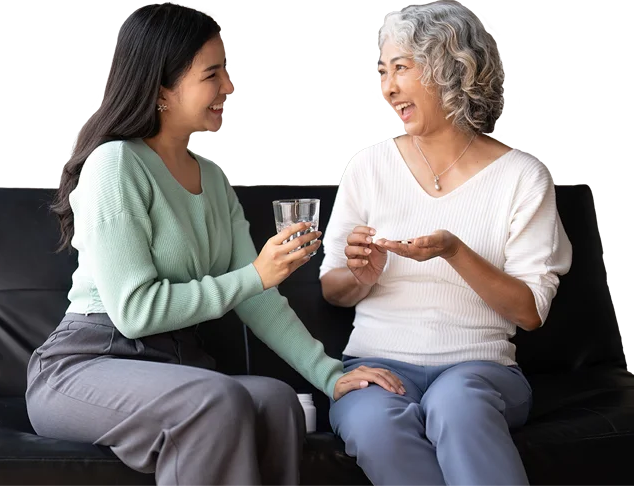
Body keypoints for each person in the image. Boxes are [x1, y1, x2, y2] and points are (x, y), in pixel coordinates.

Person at [24, 3, 393, 486]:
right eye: (211, 74)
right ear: (162, 90)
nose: (229, 87)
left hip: (177, 366)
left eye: (227, 71)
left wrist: (330, 375)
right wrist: (255, 274)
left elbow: (259, 299)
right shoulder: (115, 166)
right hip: (90, 363)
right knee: (215, 399)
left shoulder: (214, 182)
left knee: (276, 401)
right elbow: (135, 312)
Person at [318, 2, 573, 486]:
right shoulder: (368, 168)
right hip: (376, 367)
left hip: (480, 370)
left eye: (401, 68)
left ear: (449, 70)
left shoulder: (522, 177)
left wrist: (455, 252)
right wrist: (359, 276)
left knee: (455, 404)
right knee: (375, 425)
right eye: (381, 71)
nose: (386, 87)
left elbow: (530, 312)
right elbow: (332, 289)